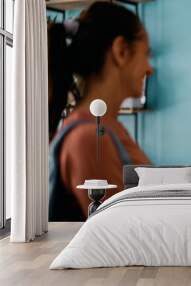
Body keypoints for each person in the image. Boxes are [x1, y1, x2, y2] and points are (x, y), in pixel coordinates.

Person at [48, 2, 152, 221]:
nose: (149, 68)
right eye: (145, 54)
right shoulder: (88, 138)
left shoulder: (105, 127)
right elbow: (121, 231)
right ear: (121, 51)